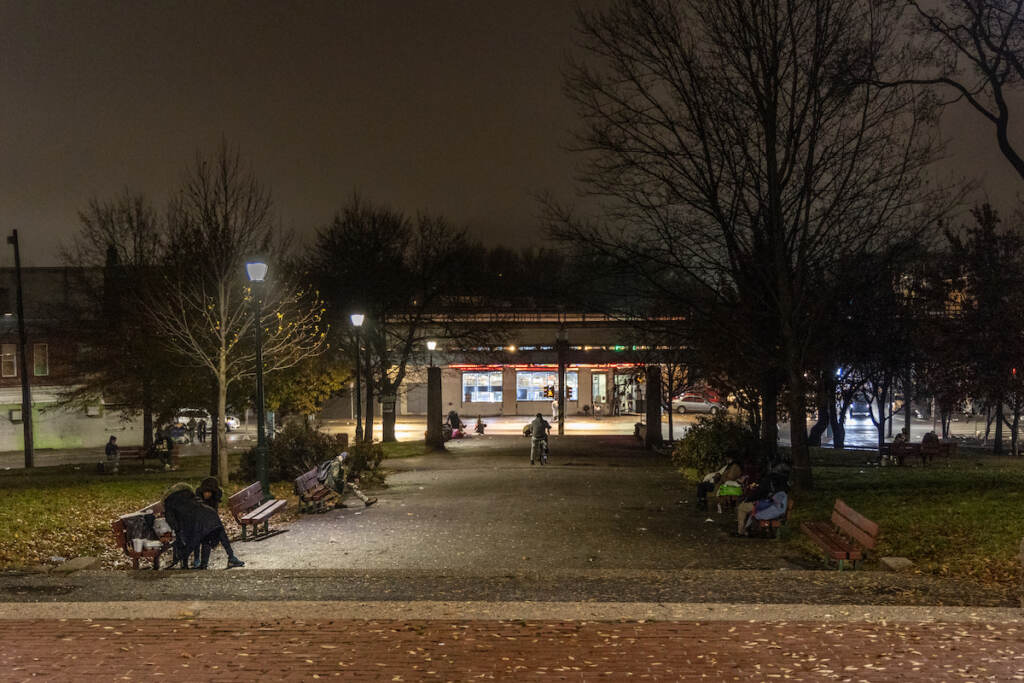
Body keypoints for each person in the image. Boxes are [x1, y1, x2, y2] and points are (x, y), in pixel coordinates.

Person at [162, 482, 244, 570]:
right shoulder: (187, 493)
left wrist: (177, 531)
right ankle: (229, 557)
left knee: (193, 540)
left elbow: (173, 522)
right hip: (209, 512)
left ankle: (185, 564)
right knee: (212, 534)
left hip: (195, 520)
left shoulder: (169, 503)